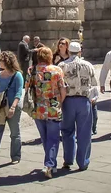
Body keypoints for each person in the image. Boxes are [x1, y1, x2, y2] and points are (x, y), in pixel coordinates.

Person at [25, 46, 66, 179]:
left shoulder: (32, 70)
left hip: (38, 109)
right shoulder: (57, 70)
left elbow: (26, 88)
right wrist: (59, 102)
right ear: (50, 57)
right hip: (53, 109)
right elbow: (63, 90)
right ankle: (49, 164)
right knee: (53, 139)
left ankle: (50, 163)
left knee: (45, 138)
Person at [59, 41, 97, 171]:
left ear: (68, 51)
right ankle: (83, 162)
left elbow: (59, 85)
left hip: (68, 101)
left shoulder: (62, 65)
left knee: (67, 131)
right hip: (83, 101)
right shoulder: (88, 65)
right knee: (85, 132)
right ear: (80, 51)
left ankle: (68, 160)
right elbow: (93, 85)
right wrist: (92, 99)